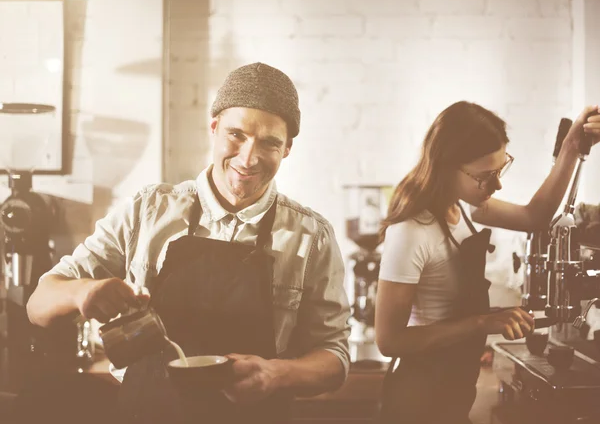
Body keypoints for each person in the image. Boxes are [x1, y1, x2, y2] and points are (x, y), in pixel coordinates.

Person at [26, 62, 351, 424]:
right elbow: (38, 304)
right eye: (236, 135)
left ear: (287, 148)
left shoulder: (311, 236)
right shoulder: (147, 212)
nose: (249, 158)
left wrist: (277, 374)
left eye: (269, 143)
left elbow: (334, 357)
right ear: (214, 128)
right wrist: (82, 292)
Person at [375, 101, 600, 424]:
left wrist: (571, 148)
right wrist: (482, 323)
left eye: (500, 170)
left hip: (454, 393)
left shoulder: (464, 206)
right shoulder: (410, 231)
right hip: (417, 400)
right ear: (446, 166)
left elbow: (534, 216)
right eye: (485, 176)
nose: (496, 186)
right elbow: (389, 340)